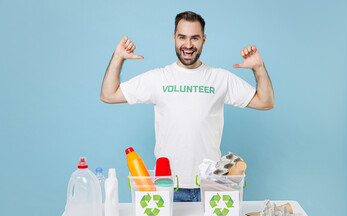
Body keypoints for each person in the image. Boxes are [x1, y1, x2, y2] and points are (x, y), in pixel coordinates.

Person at [100, 11, 274, 202]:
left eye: (195, 38)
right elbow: (108, 95)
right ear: (174, 38)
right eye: (182, 37)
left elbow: (265, 103)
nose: (188, 45)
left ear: (204, 40)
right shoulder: (158, 78)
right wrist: (118, 57)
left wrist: (258, 67)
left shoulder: (220, 78)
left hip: (210, 185)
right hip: (167, 186)